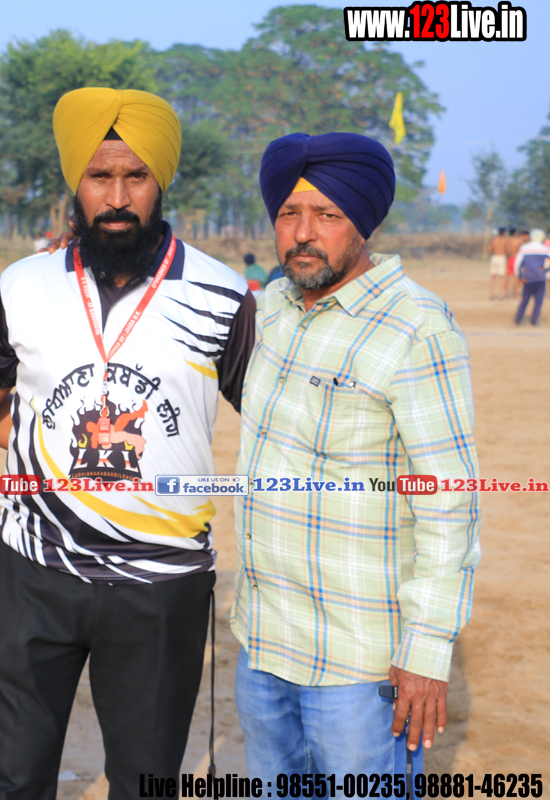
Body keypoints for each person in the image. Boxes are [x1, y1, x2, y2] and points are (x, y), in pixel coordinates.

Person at [0, 88, 256, 799]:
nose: (117, 197)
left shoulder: (223, 294)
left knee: (146, 782)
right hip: (34, 569)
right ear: (75, 184)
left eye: (136, 176)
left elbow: (274, 425)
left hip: (163, 581)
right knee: (13, 778)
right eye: (99, 176)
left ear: (161, 181)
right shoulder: (22, 285)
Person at [235, 131, 481, 776]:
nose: (303, 233)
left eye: (327, 214)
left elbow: (449, 503)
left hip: (360, 667)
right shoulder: (273, 310)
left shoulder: (415, 326)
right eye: (289, 213)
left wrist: (426, 653)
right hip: (263, 646)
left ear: (363, 223)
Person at [512, 228, 550, 326]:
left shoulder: (524, 248)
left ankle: (517, 321)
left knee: (524, 300)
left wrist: (520, 277)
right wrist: (546, 270)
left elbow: (517, 264)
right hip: (540, 278)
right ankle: (534, 321)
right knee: (538, 301)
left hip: (527, 278)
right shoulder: (545, 248)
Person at [486, 225, 508, 300]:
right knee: (502, 277)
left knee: (493, 277)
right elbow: (507, 250)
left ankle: (491, 294)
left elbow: (490, 250)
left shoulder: (493, 240)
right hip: (502, 257)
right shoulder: (505, 240)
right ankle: (500, 295)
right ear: (504, 232)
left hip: (494, 257)